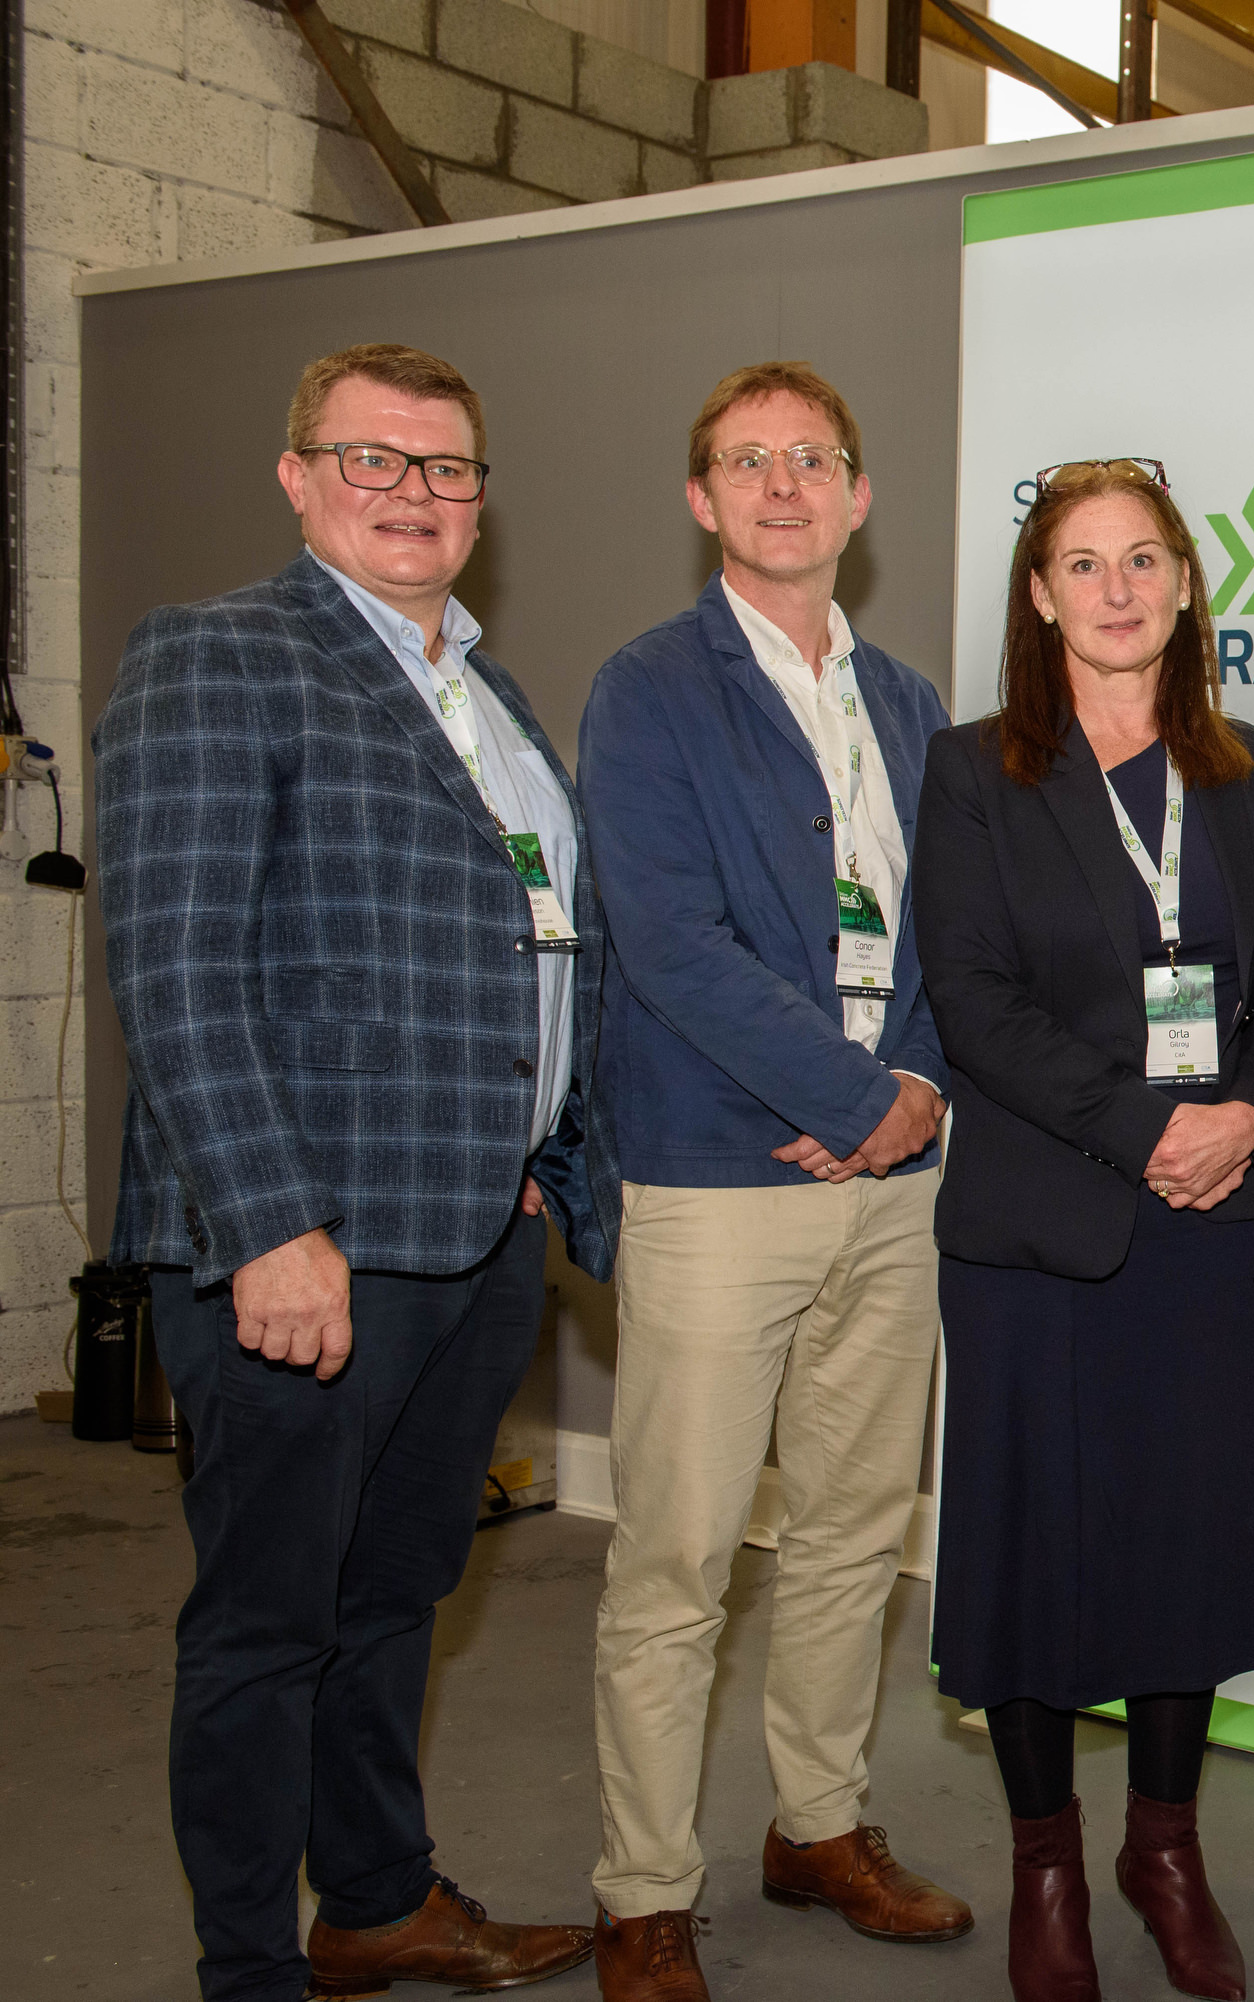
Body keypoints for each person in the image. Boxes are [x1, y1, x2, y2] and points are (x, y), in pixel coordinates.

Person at [97, 342, 614, 2002]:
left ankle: (377, 1900)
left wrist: (544, 1159)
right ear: (297, 474)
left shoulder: (491, 695)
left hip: (473, 1233)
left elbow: (537, 948)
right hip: (304, 1246)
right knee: (267, 1624)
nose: (414, 493)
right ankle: (247, 1967)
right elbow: (174, 963)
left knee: (397, 1596)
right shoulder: (220, 653)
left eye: (447, 467)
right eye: (372, 459)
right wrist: (266, 1225)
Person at [576, 363, 967, 2002]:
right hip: (719, 1177)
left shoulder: (911, 703)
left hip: (898, 1182)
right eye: (750, 460)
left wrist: (918, 1090)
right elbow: (669, 941)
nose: (785, 484)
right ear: (703, 500)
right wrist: (856, 1095)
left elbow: (955, 924)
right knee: (678, 1554)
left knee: (855, 1529)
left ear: (859, 496)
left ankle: (819, 1824)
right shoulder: (648, 689)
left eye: (814, 457)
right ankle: (644, 1890)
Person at [911, 457, 1254, 2002]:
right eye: (1082, 563)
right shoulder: (976, 770)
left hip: (1214, 1227)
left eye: (1144, 558)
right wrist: (1149, 1130)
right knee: (1030, 1556)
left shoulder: (1247, 768)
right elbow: (974, 1002)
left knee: (1182, 1548)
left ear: (1189, 581)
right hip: (1043, 1228)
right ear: (1039, 594)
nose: (1118, 588)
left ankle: (1164, 1846)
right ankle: (1048, 1864)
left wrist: (1248, 1112)